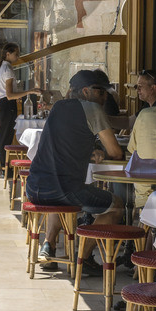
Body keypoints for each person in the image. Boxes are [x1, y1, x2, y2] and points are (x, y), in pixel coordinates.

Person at [23, 69, 126, 263]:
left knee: (58, 188)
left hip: (34, 187)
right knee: (116, 206)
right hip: (64, 191)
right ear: (86, 91)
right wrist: (101, 152)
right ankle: (83, 258)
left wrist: (89, 152)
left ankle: (50, 244)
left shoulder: (58, 106)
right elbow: (115, 153)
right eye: (100, 92)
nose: (105, 97)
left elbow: (64, 143)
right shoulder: (93, 109)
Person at [0, 42, 36, 179]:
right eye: (16, 53)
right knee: (5, 137)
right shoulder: (8, 69)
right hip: (7, 106)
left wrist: (12, 94)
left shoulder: (2, 67)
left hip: (2, 105)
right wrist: (30, 91)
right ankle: (5, 168)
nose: (18, 56)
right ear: (8, 54)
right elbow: (10, 95)